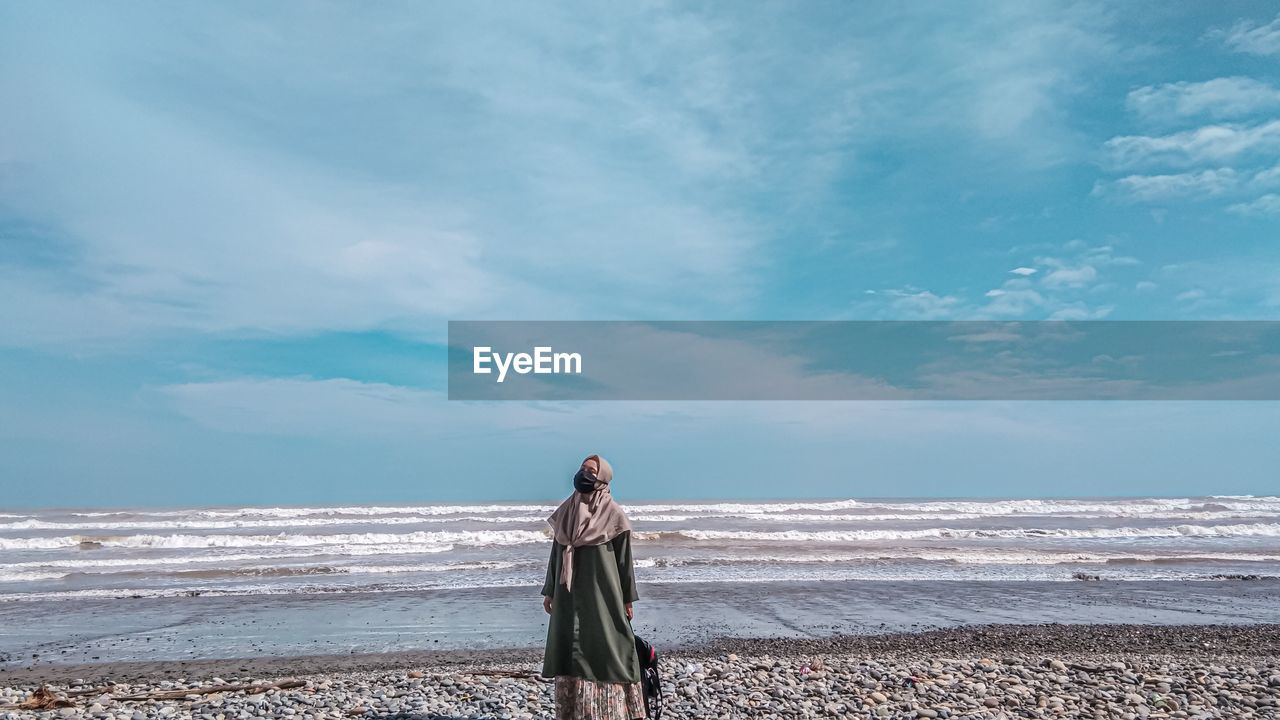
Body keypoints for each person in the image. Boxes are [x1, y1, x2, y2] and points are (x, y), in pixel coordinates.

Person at [541, 454, 646, 720]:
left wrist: (627, 599)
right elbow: (556, 554)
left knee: (608, 644)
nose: (583, 474)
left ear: (602, 479)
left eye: (591, 471)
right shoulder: (566, 512)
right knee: (569, 645)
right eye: (582, 469)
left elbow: (625, 562)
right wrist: (550, 589)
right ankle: (572, 711)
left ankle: (611, 711)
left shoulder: (614, 515)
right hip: (567, 593)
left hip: (603, 593)